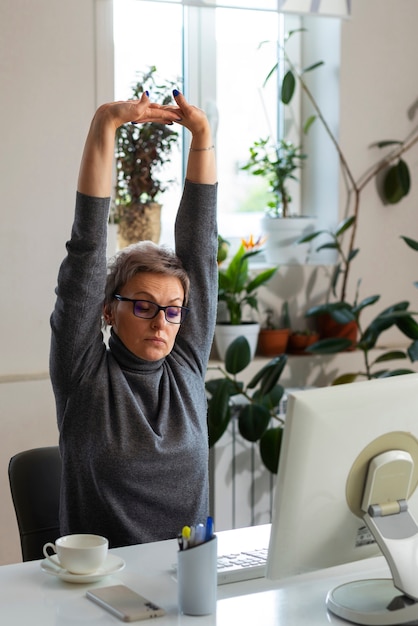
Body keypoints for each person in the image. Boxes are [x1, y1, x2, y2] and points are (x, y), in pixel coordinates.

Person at [50, 90, 217, 548]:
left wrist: (202, 135)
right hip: (100, 592)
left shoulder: (185, 365)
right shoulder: (82, 373)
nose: (161, 323)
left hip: (185, 583)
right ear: (108, 309)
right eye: (143, 306)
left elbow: (200, 251)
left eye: (172, 311)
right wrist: (105, 123)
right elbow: (86, 249)